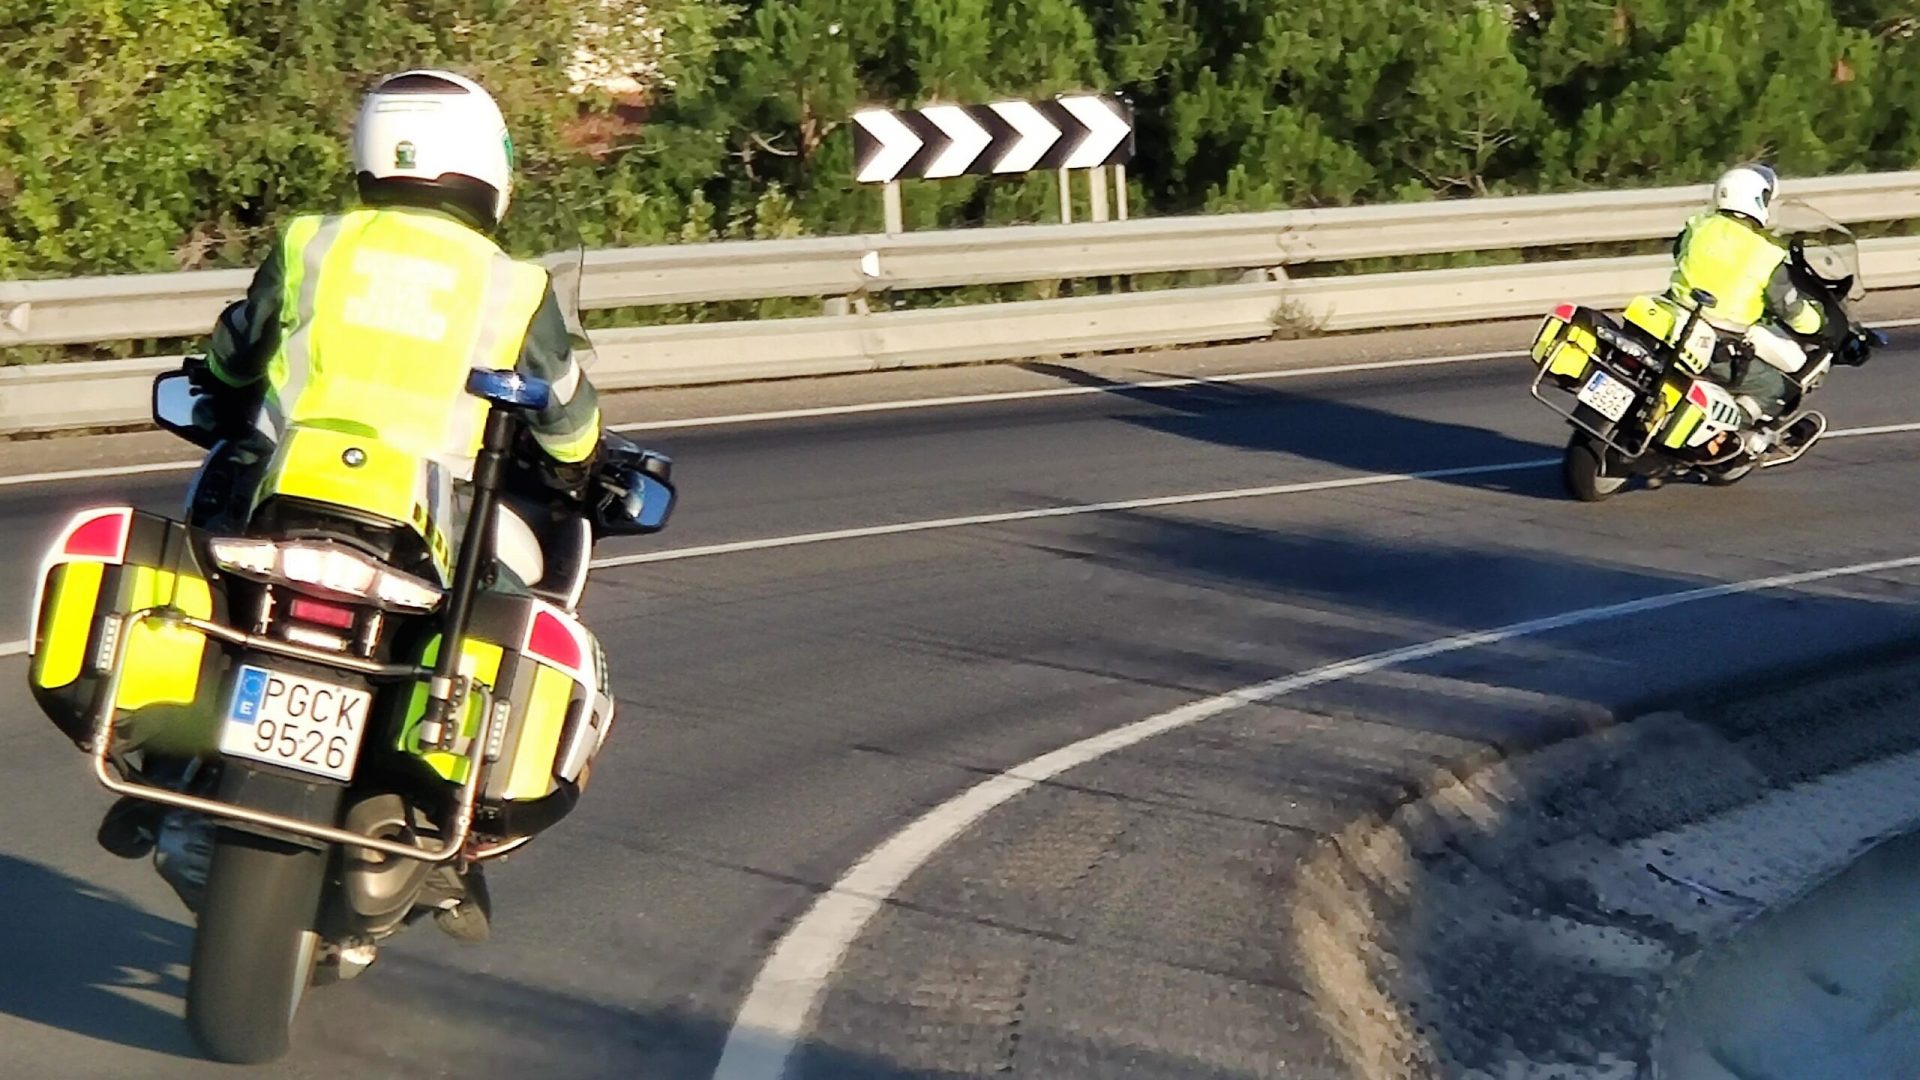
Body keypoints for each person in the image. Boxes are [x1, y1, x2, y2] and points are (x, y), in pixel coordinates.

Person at [101, 72, 608, 939]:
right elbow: (567, 413)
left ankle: (170, 763)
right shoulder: (511, 286)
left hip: (285, 497)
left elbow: (235, 347)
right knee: (497, 611)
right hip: (423, 524)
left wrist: (223, 387)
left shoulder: (312, 243)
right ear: (487, 163)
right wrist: (584, 461)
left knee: (207, 556)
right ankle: (451, 824)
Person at [1667, 164, 1825, 446]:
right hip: (1719, 341)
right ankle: (1723, 435)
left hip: (1673, 318)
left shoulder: (1698, 226)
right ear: (1756, 199)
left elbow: (1679, 252)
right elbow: (1789, 308)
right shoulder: (1766, 253)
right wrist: (1818, 323)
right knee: (1775, 389)